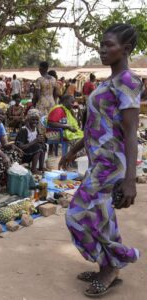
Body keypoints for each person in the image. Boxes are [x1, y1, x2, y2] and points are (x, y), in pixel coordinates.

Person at [59, 24, 142, 297]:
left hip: (111, 165)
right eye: (101, 44)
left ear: (126, 49)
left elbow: (131, 131)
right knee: (104, 218)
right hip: (98, 162)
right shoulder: (108, 83)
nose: (102, 49)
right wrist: (74, 149)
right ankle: (109, 267)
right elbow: (97, 125)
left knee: (77, 215)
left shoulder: (128, 81)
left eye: (109, 45)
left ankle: (115, 262)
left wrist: (130, 179)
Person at [15, 109, 47, 174]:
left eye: (37, 120)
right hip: (22, 154)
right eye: (33, 119)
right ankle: (34, 169)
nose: (35, 121)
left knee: (43, 146)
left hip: (30, 152)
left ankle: (41, 167)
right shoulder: (23, 130)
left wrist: (41, 140)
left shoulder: (36, 129)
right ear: (28, 119)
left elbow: (38, 142)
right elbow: (20, 147)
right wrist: (35, 141)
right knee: (38, 147)